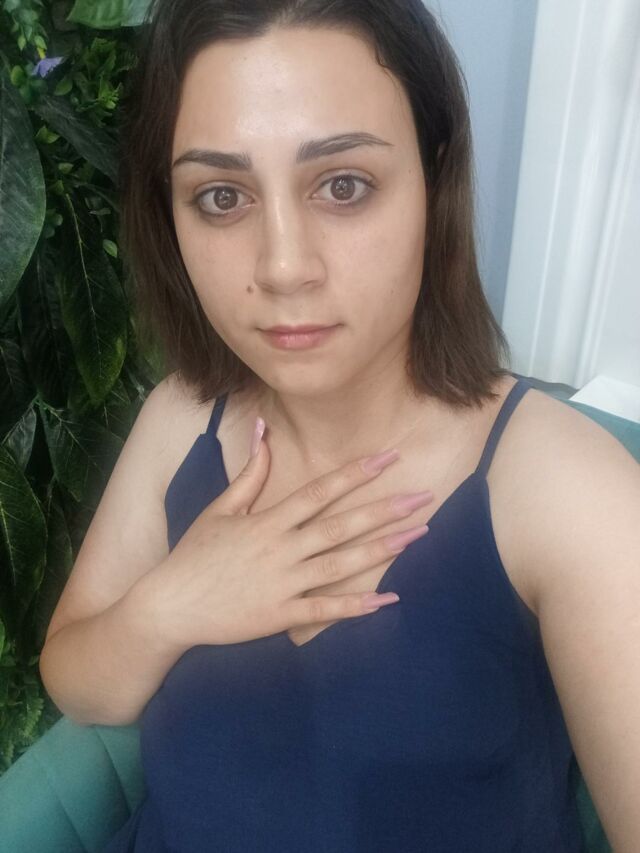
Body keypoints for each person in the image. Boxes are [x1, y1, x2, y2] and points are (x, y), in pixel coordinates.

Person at [37, 0, 640, 850]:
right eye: (221, 196)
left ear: (433, 180)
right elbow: (75, 680)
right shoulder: (183, 416)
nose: (285, 266)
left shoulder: (569, 491)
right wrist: (173, 604)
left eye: (343, 185)